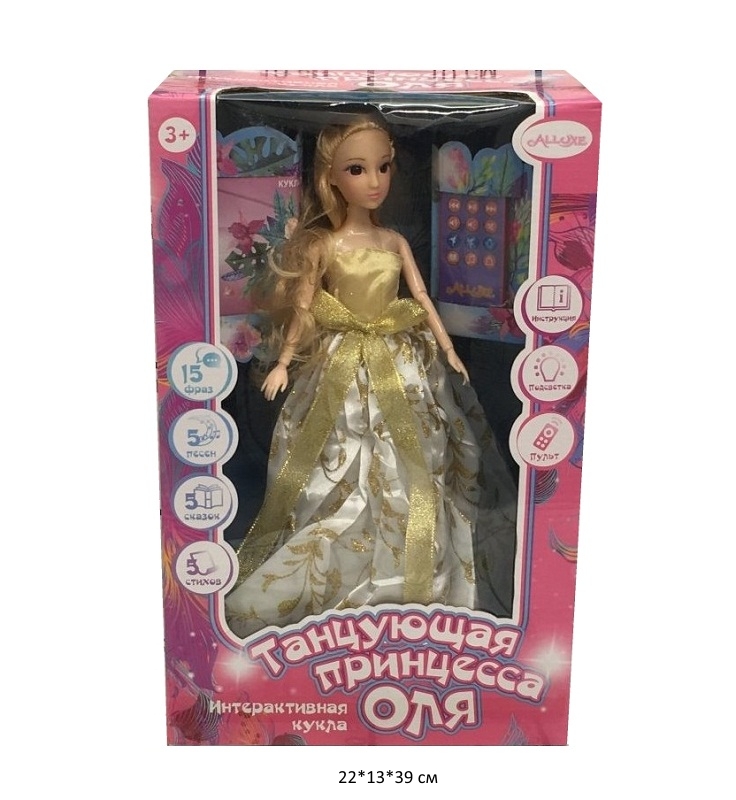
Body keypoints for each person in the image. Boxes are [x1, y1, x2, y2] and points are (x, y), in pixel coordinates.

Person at [225, 117, 517, 638]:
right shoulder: (325, 245)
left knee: (418, 452)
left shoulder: (393, 239)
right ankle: (344, 547)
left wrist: (449, 349)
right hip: (341, 360)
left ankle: (410, 557)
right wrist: (285, 362)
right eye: (358, 170)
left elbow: (421, 297)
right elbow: (304, 306)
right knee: (339, 446)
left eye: (384, 166)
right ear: (332, 177)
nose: (375, 181)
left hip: (400, 358)